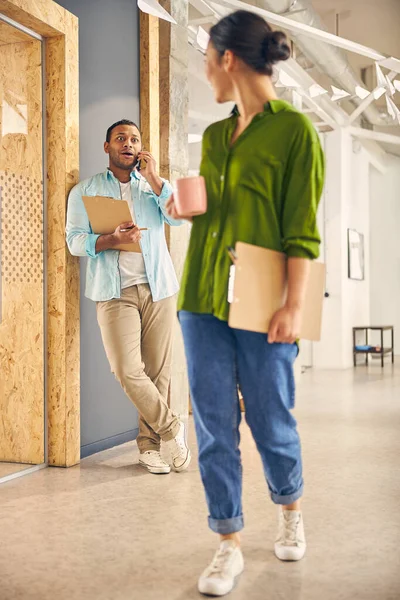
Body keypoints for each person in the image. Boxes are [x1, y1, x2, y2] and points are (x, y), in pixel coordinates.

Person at [167, 10, 324, 597]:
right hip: (201, 296)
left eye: (206, 59)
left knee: (271, 417)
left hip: (264, 299)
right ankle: (227, 541)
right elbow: (222, 210)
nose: (205, 70)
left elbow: (301, 229)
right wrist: (189, 210)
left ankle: (289, 506)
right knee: (212, 424)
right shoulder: (213, 136)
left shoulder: (296, 132)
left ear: (228, 59)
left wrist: (293, 305)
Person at [66, 119, 191, 475]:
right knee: (126, 369)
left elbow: (181, 217)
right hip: (113, 292)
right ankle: (173, 428)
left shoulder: (153, 189)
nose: (128, 144)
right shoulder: (85, 191)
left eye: (134, 139)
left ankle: (150, 447)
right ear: (107, 147)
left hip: (159, 290)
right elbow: (74, 239)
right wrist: (109, 240)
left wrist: (155, 179)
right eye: (120, 138)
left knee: (158, 373)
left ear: (140, 149)